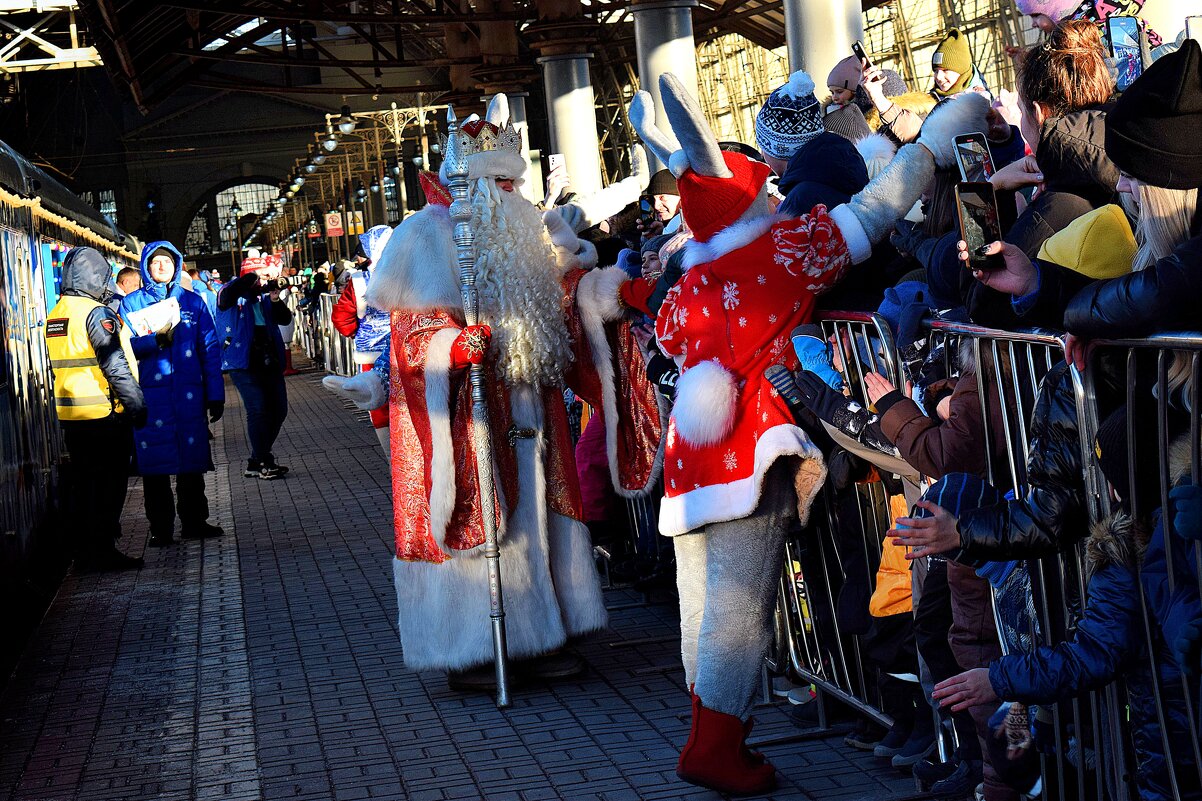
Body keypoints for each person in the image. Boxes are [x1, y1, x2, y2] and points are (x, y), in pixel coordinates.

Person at [623, 72, 988, 794]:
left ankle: (712, 732)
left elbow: (664, 334)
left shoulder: (692, 271)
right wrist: (928, 150)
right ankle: (716, 746)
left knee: (700, 596)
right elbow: (870, 213)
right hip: (749, 448)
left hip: (690, 453)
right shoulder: (779, 251)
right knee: (741, 606)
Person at [330, 94, 661, 691]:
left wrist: (594, 296)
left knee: (537, 515)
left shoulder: (527, 236)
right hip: (468, 412)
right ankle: (478, 645)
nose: (513, 196)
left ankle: (539, 635)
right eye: (500, 185)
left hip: (531, 406)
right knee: (484, 516)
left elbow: (560, 308)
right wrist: (454, 347)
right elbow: (410, 335)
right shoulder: (425, 239)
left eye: (515, 184)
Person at [46, 247, 146, 571]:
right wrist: (136, 405)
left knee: (86, 485)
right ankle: (103, 551)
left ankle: (85, 551)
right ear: (95, 276)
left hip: (72, 416)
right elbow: (114, 365)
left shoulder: (57, 313)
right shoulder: (95, 314)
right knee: (108, 487)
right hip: (104, 414)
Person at [119, 242, 225, 546]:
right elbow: (125, 351)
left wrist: (215, 393)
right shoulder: (131, 305)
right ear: (146, 268)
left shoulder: (193, 302)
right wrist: (154, 341)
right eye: (156, 263)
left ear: (176, 265)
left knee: (191, 463)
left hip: (189, 394)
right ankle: (161, 528)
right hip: (151, 397)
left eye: (167, 261)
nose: (162, 267)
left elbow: (210, 348)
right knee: (155, 468)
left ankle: (195, 521)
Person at [216, 252, 292, 480]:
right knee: (258, 409)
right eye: (262, 274)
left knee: (278, 410)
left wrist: (276, 298)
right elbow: (230, 294)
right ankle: (261, 460)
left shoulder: (264, 297)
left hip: (269, 360)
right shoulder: (230, 291)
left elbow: (284, 319)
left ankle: (257, 459)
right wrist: (254, 275)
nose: (265, 279)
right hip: (243, 362)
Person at [327, 225, 394, 452]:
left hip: (371, 350)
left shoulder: (359, 281)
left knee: (378, 404)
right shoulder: (407, 273)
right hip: (407, 348)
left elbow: (341, 316)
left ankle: (391, 457)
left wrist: (356, 332)